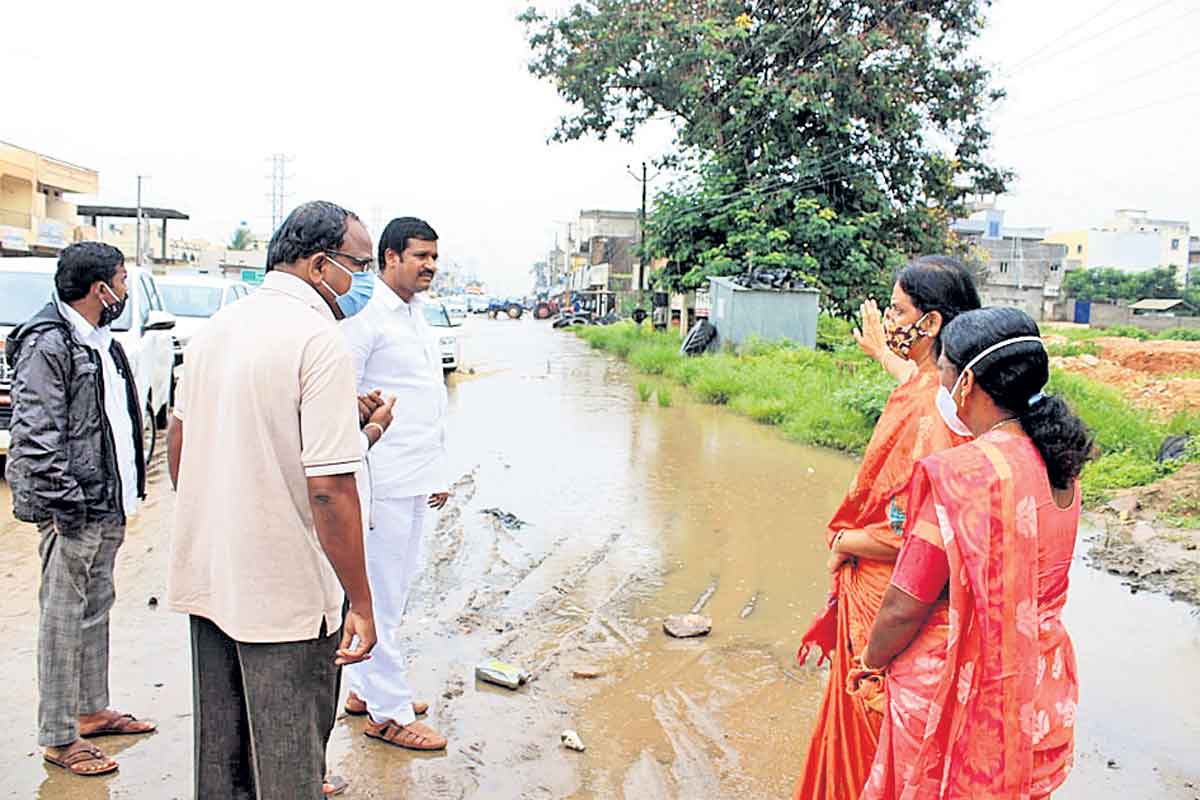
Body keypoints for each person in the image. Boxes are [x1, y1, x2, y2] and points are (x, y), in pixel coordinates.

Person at [166, 200, 378, 799]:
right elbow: (330, 489)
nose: (363, 281)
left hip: (213, 578)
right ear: (320, 265)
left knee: (223, 761)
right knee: (288, 765)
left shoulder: (216, 331)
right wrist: (361, 601)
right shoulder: (318, 339)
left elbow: (182, 446)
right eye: (359, 266)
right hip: (286, 596)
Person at [853, 307, 1092, 799]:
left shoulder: (962, 475)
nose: (939, 385)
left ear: (965, 384)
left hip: (958, 688)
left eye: (943, 372)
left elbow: (903, 605)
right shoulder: (1061, 465)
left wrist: (870, 660)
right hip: (1039, 688)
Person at [793, 256, 981, 800]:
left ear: (932, 322)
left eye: (899, 311)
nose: (892, 320)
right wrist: (883, 354)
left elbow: (912, 533)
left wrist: (843, 540)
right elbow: (916, 382)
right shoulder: (946, 390)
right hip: (911, 600)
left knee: (869, 732)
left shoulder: (932, 411)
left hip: (888, 601)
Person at [5, 241, 156, 777]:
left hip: (106, 502)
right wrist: (67, 505)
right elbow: (36, 437)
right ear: (100, 290)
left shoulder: (99, 341)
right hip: (74, 509)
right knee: (63, 618)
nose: (125, 290)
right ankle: (58, 736)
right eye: (122, 280)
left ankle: (91, 711)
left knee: (95, 606)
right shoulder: (48, 344)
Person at [339, 216, 451, 752]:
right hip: (379, 480)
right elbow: (336, 393)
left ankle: (365, 688)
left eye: (434, 257)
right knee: (379, 597)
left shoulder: (415, 316)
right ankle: (389, 713)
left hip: (414, 477)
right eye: (420, 256)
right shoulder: (365, 319)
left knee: (396, 590)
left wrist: (438, 471)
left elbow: (429, 399)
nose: (430, 266)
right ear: (390, 257)